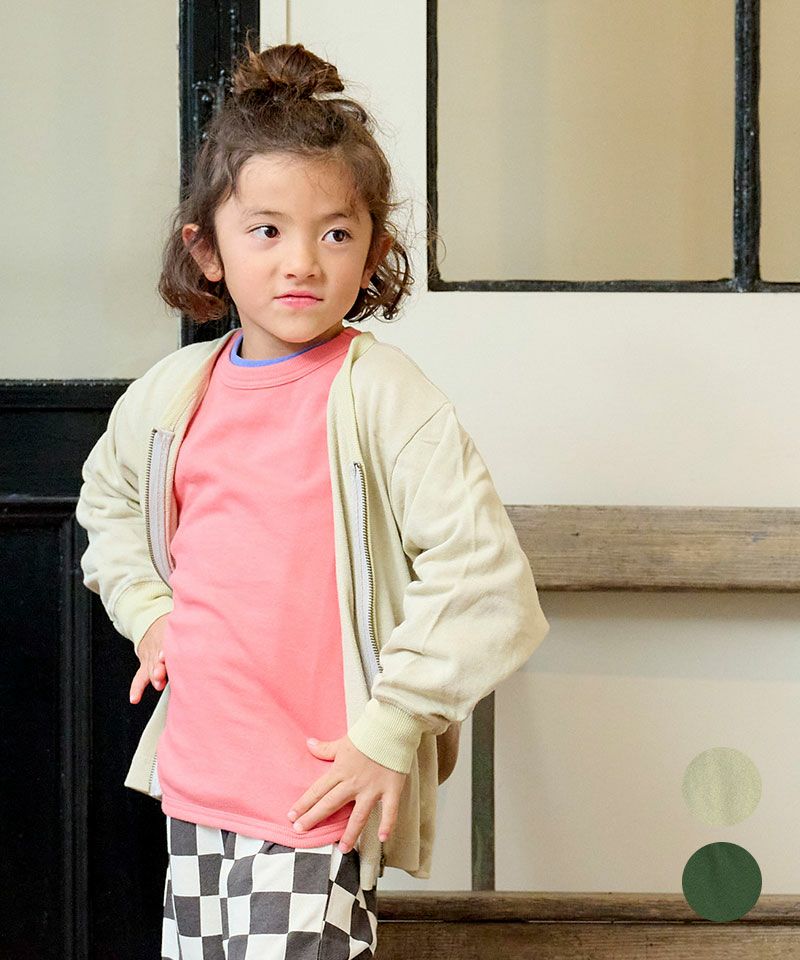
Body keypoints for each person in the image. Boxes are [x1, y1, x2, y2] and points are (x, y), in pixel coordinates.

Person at [74, 37, 550, 960]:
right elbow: (109, 502)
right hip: (197, 783)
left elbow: (487, 579)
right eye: (267, 230)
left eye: (335, 232)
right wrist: (148, 611)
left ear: (373, 251)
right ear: (206, 249)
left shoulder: (383, 395)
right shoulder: (174, 395)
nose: (302, 261)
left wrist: (391, 727)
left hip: (318, 794)